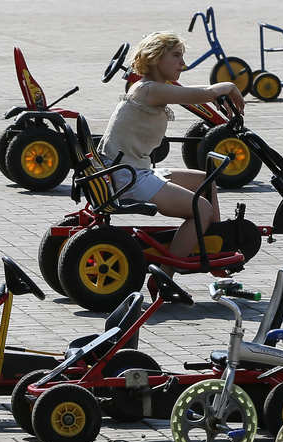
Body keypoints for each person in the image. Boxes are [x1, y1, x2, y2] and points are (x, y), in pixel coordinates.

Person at [96, 31, 245, 297]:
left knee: (204, 179)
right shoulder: (149, 89)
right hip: (128, 177)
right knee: (202, 210)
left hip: (128, 169)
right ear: (154, 58)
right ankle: (165, 276)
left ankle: (215, 248)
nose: (183, 64)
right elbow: (200, 94)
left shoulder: (149, 88)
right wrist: (229, 87)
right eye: (176, 56)